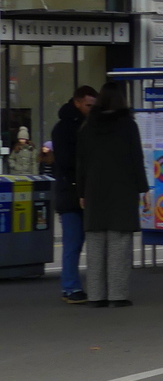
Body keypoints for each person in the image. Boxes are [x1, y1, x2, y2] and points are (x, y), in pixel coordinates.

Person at [75, 81, 149, 306]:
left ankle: (96, 296)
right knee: (119, 246)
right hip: (122, 191)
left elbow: (81, 162)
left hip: (94, 191)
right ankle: (117, 296)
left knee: (95, 246)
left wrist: (81, 191)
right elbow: (136, 159)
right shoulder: (128, 125)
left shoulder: (88, 126)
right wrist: (143, 189)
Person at [49, 85, 98, 304]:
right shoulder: (65, 128)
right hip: (71, 192)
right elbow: (66, 162)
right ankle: (70, 287)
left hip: (78, 189)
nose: (91, 109)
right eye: (88, 105)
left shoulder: (87, 125)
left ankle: (73, 286)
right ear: (77, 103)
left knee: (78, 242)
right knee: (73, 242)